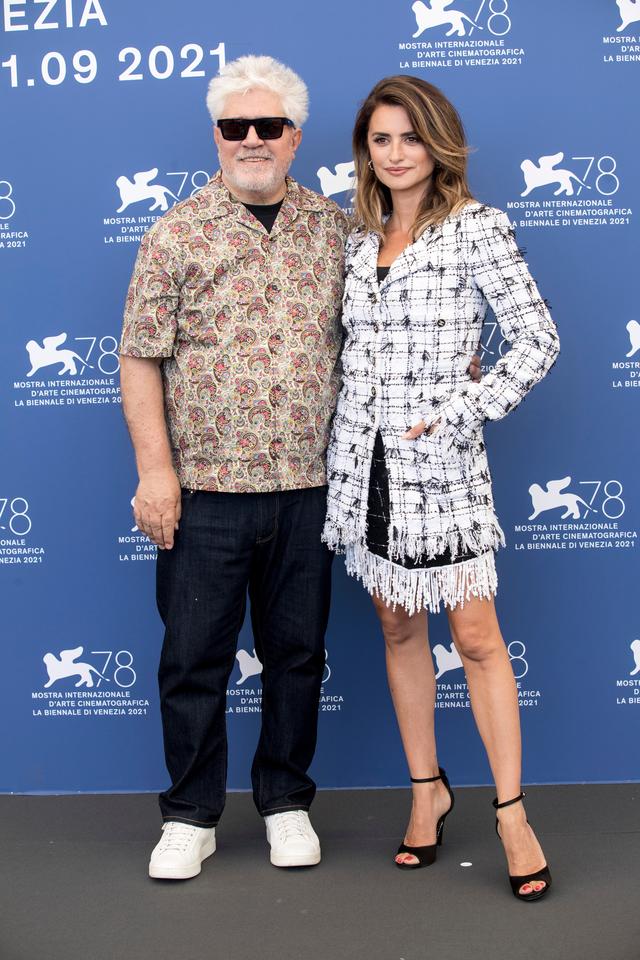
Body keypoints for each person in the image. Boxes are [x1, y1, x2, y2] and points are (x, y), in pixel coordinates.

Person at [323, 75, 560, 901]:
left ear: (438, 143)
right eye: (380, 140)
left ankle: (511, 812)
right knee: (397, 627)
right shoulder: (354, 244)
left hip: (444, 464)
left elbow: (537, 341)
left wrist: (461, 409)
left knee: (477, 637)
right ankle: (427, 791)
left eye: (409, 138)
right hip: (366, 469)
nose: (394, 155)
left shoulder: (477, 229)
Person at [119, 55, 350, 878]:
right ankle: (191, 815)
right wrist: (156, 472)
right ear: (215, 135)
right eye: (234, 127)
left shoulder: (335, 228)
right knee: (193, 661)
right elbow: (140, 357)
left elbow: (378, 333)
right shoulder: (175, 231)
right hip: (205, 495)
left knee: (297, 656)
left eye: (268, 126)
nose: (250, 140)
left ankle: (286, 802)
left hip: (307, 490)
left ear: (295, 136)